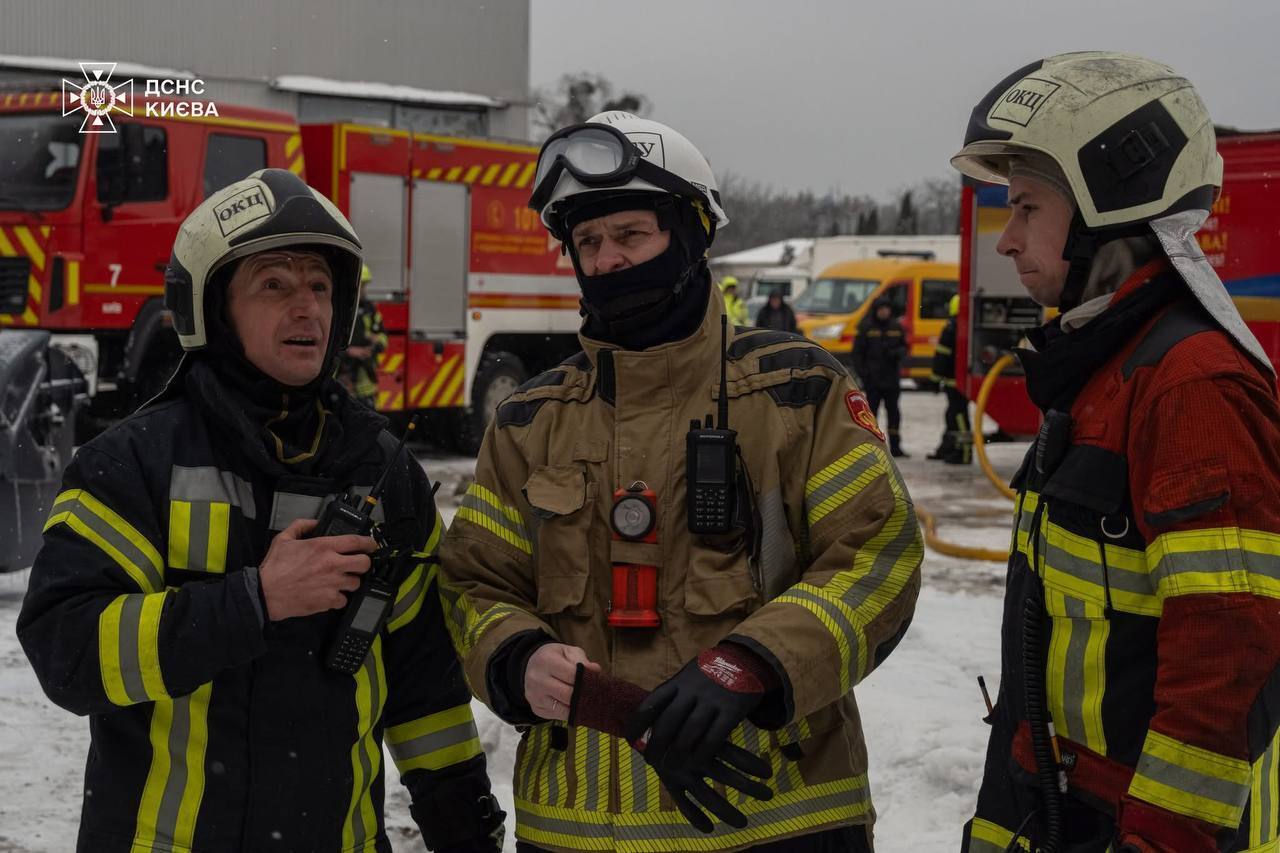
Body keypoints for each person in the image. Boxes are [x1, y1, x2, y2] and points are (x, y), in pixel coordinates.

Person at [439, 112, 922, 852]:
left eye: (631, 235)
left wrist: (753, 663)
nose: (606, 260)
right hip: (575, 830)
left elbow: (879, 560)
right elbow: (472, 584)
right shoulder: (527, 421)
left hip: (776, 822)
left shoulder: (799, 392)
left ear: (693, 235)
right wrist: (514, 656)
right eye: (587, 242)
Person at [17, 169, 505, 853]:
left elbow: (427, 686)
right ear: (213, 310)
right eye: (274, 284)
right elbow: (65, 651)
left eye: (319, 286)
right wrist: (254, 600)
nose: (306, 307)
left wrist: (464, 823)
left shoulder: (385, 471)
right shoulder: (131, 464)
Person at [950, 53, 1280, 852]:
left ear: (1112, 206)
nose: (1009, 240)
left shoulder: (1188, 384)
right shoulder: (1104, 368)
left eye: (1027, 207)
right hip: (1069, 809)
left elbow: (1227, 653)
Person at [851, 296, 909, 457]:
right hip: (873, 380)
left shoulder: (896, 327)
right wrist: (864, 374)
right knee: (870, 415)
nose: (884, 312)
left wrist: (897, 353)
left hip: (891, 379)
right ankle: (870, 446)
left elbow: (905, 348)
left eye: (886, 309)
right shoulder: (866, 328)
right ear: (876, 310)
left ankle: (896, 447)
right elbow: (857, 354)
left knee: (894, 414)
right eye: (881, 309)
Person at [926, 295, 972, 464]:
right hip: (959, 381)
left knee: (958, 417)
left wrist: (935, 379)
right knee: (952, 415)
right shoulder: (965, 326)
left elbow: (941, 357)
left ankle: (964, 453)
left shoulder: (952, 327)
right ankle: (948, 448)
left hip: (955, 382)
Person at [338, 263, 388, 408]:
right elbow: (329, 345)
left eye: (365, 285)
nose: (364, 290)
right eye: (361, 285)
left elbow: (383, 337)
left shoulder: (370, 309)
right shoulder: (340, 310)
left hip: (366, 381)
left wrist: (376, 342)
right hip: (343, 379)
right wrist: (349, 352)